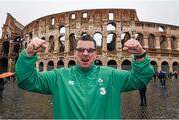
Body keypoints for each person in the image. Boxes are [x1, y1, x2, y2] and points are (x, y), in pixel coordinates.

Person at [15, 34, 154, 119]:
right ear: (75, 53)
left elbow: (140, 79)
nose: (85, 53)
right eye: (81, 50)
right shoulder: (59, 77)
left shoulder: (111, 75)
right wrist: (28, 54)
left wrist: (140, 54)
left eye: (90, 50)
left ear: (96, 54)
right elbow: (26, 81)